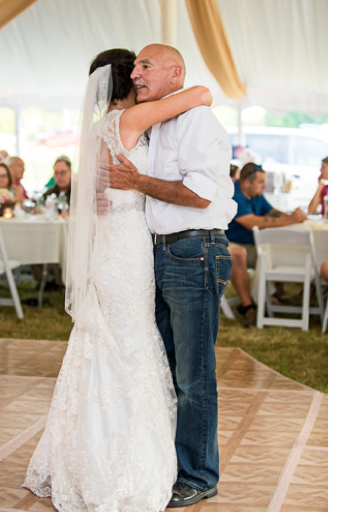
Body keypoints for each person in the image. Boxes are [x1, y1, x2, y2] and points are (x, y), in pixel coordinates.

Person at [23, 48, 214, 511]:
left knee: (107, 346)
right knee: (130, 345)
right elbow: (204, 93)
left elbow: (91, 197)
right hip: (128, 251)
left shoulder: (96, 131)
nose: (141, 76)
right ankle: (127, 460)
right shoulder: (129, 120)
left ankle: (86, 453)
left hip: (111, 249)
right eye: (138, 69)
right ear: (126, 78)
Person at [105, 43, 237, 508]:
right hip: (162, 254)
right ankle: (172, 464)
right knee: (166, 368)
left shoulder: (196, 120)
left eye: (146, 66)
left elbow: (201, 195)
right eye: (135, 66)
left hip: (194, 250)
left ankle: (200, 475)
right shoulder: (158, 119)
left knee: (193, 375)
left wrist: (136, 183)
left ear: (175, 73)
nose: (136, 74)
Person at [225, 162, 307, 322]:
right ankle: (248, 307)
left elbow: (271, 212)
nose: (265, 186)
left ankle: (275, 293)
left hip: (250, 243)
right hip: (229, 242)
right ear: (247, 182)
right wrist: (290, 220)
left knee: (277, 247)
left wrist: (292, 216)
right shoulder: (234, 194)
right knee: (237, 253)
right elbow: (251, 221)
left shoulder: (255, 194)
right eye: (261, 182)